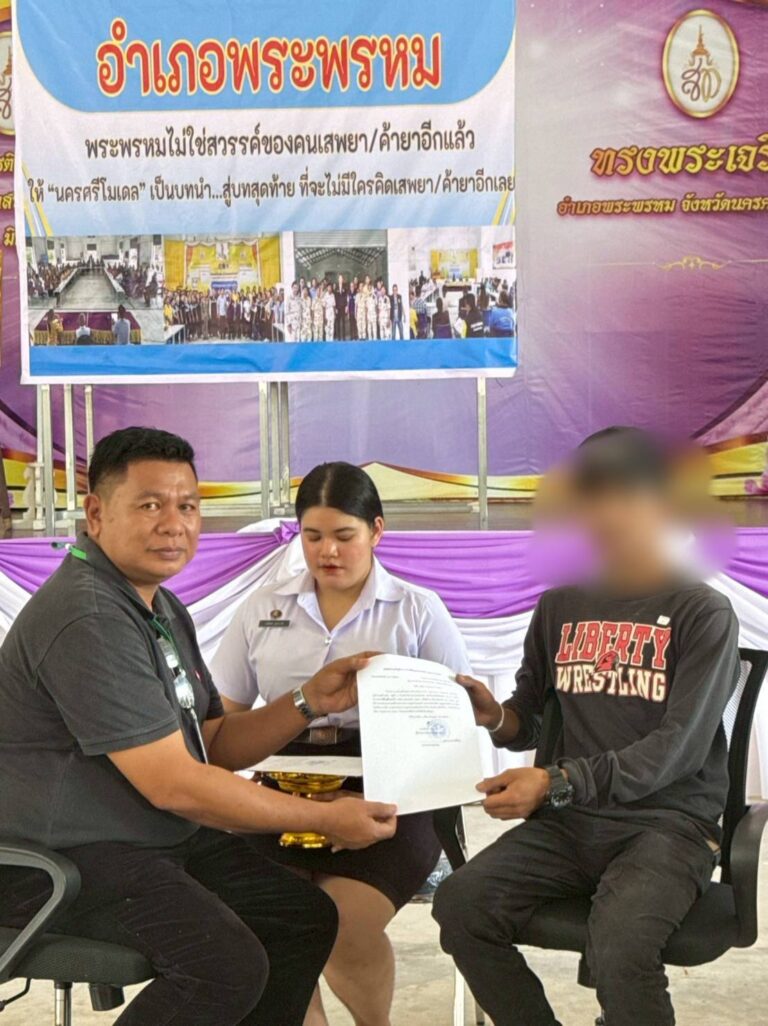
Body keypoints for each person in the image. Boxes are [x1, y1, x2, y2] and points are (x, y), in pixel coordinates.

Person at [0, 428, 397, 1026]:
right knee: (223, 965)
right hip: (61, 860)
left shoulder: (157, 606)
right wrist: (322, 816)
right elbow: (176, 785)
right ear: (96, 514)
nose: (174, 524)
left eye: (188, 506)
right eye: (150, 505)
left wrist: (308, 700)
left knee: (301, 916)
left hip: (148, 842)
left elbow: (211, 744)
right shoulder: (87, 613)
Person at [433, 426, 741, 1026]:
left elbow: (676, 750)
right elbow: (533, 719)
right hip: (570, 824)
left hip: (666, 827)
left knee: (622, 945)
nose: (607, 516)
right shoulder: (560, 606)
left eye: (625, 497)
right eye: (593, 500)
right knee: (461, 905)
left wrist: (555, 782)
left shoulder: (702, 612)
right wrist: (496, 716)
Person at [212, 461, 471, 1026]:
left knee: (340, 923)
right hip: (280, 788)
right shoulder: (263, 608)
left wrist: (376, 798)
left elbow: (455, 728)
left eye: (343, 535)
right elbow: (224, 720)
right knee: (267, 918)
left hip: (393, 795)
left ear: (376, 531)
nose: (327, 551)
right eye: (313, 536)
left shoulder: (416, 610)